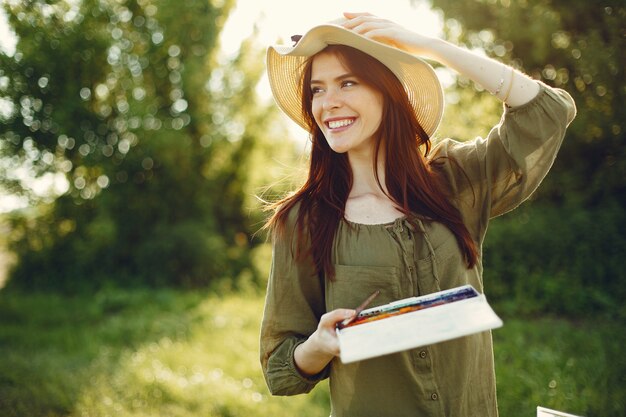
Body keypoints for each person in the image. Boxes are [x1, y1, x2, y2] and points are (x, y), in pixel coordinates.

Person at [259, 12, 576, 417]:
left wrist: (431, 48)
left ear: (388, 92)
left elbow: (546, 111)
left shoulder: (454, 180)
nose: (328, 102)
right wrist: (318, 347)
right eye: (317, 90)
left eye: (347, 82)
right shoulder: (304, 220)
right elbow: (279, 370)